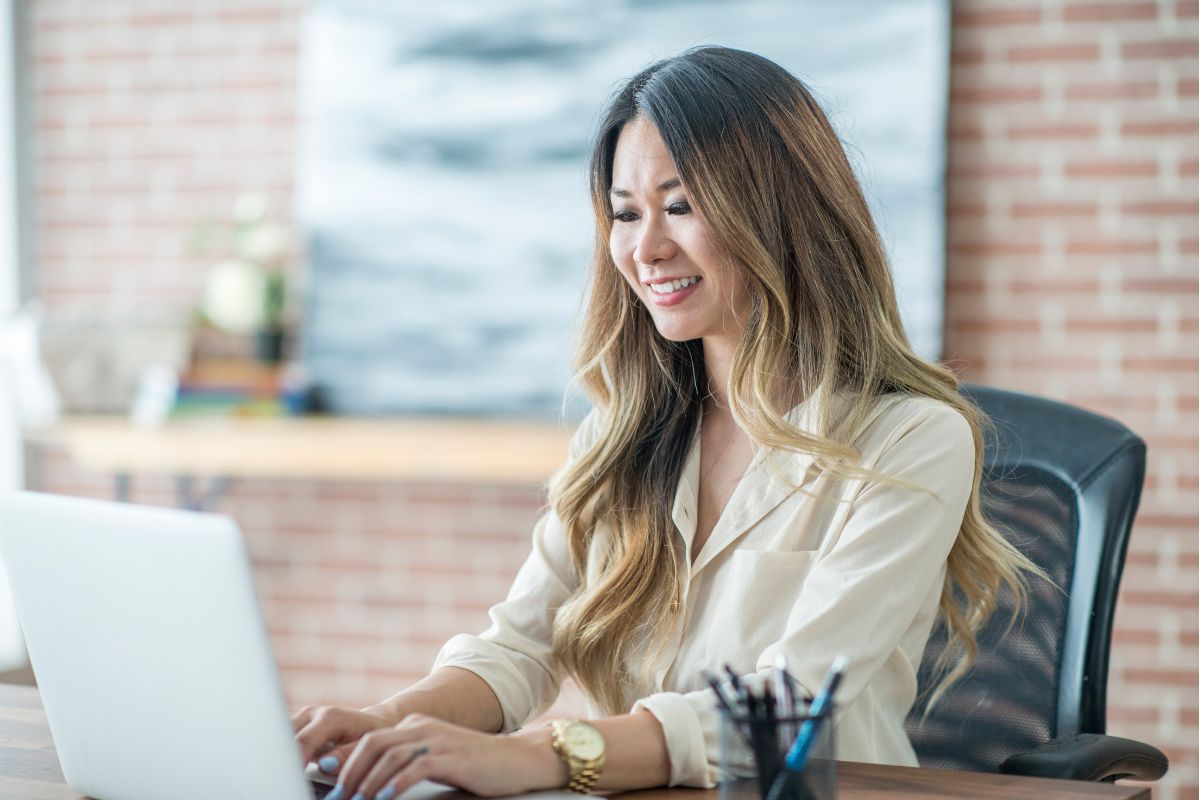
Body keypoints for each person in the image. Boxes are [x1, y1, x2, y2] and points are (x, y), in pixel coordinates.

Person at [291, 45, 1037, 800]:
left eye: (679, 206)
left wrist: (546, 754)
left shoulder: (911, 441)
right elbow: (518, 649)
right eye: (625, 214)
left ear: (778, 211)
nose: (645, 249)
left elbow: (785, 709)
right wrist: (387, 722)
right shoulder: (618, 442)